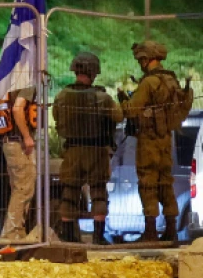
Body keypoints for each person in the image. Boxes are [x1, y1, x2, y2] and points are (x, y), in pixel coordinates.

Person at [52, 52, 123, 245]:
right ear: (93, 73)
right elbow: (118, 117)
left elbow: (57, 118)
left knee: (70, 191)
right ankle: (98, 238)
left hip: (73, 150)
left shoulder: (61, 96)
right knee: (98, 191)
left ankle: (68, 236)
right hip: (96, 150)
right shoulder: (102, 98)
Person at [121, 41, 185, 242]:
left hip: (148, 139)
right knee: (166, 182)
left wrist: (123, 100)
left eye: (141, 59)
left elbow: (132, 110)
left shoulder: (149, 83)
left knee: (148, 181)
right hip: (167, 139)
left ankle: (150, 232)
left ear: (146, 59)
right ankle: (171, 229)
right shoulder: (171, 80)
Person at [0, 86, 39, 241]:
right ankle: (12, 234)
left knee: (19, 189)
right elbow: (17, 109)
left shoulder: (8, 83)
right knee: (24, 189)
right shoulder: (27, 84)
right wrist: (27, 136)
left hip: (9, 142)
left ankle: (16, 232)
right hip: (19, 143)